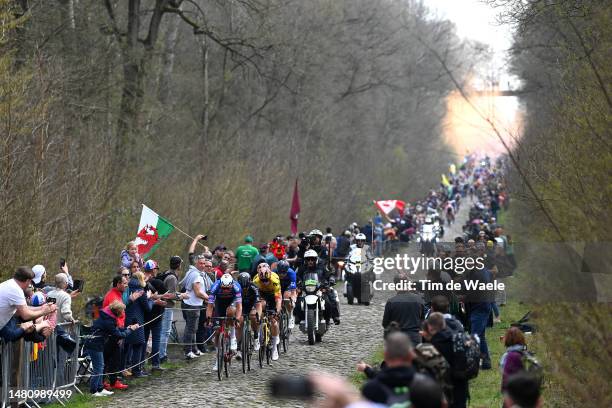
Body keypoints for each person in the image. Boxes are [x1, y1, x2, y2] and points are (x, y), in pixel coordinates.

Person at [84, 301, 139, 397]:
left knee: (101, 366)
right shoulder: (109, 320)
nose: (123, 313)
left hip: (99, 343)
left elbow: (115, 330)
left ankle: (100, 388)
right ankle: (93, 390)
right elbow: (118, 334)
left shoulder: (108, 316)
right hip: (94, 344)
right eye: (123, 311)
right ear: (117, 312)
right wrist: (131, 329)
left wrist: (127, 328)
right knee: (98, 367)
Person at [421, 313, 468, 408]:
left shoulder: (433, 346)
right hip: (461, 388)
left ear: (430, 328)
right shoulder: (457, 339)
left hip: (442, 392)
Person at [361, 331, 422, 405]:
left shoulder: (370, 389)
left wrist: (367, 369)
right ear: (411, 355)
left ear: (385, 355)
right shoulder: (427, 386)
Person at [0, 267, 56, 341]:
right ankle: (43, 327)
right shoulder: (16, 290)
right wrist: (44, 312)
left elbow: (23, 309)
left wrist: (42, 307)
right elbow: (26, 315)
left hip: (4, 324)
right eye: (30, 282)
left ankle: (41, 328)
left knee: (25, 328)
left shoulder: (10, 284)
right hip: (4, 326)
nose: (30, 285)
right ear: (28, 281)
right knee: (23, 329)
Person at [102, 274, 134, 390]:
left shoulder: (118, 294)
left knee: (114, 358)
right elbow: (116, 317)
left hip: (115, 332)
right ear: (118, 284)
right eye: (124, 283)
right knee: (110, 358)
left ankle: (112, 381)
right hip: (112, 333)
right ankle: (106, 381)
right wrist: (120, 334)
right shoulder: (112, 296)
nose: (126, 285)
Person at [206, 273, 242, 371]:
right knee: (217, 332)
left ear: (231, 284)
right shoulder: (215, 287)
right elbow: (209, 306)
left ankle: (233, 336)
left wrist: (237, 319)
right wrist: (208, 319)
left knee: (231, 312)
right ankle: (218, 359)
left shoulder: (236, 287)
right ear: (221, 284)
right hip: (219, 303)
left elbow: (239, 306)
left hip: (232, 301)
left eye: (227, 288)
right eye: (224, 288)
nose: (226, 290)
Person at [295, 250, 340, 325]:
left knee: (328, 301)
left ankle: (334, 316)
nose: (310, 261)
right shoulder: (302, 268)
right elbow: (297, 277)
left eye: (312, 259)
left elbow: (329, 274)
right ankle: (298, 316)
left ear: (316, 259)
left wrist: (331, 279)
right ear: (305, 260)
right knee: (298, 302)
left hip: (320, 289)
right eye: (308, 259)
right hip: (305, 289)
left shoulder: (322, 267)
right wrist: (298, 283)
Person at [157, 255, 187, 364]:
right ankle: (162, 355)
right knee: (165, 331)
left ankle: (159, 354)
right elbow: (170, 295)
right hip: (167, 307)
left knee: (162, 331)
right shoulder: (172, 278)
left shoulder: (166, 273)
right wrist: (182, 296)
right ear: (178, 265)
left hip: (162, 306)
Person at [142, 260, 170, 372]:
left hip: (144, 314)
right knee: (156, 340)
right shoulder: (158, 283)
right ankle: (155, 364)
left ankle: (141, 364)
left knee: (143, 340)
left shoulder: (140, 282)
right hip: (157, 314)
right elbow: (167, 296)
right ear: (154, 270)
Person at [179, 254, 209, 359]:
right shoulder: (196, 275)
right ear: (196, 263)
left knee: (194, 329)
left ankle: (195, 349)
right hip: (192, 305)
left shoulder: (192, 272)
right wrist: (209, 298)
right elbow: (198, 292)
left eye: (204, 263)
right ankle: (188, 351)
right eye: (200, 263)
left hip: (192, 304)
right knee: (190, 329)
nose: (202, 265)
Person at [382, 274, 424, 346]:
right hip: (415, 338)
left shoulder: (391, 302)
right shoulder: (419, 300)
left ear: (395, 286)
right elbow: (422, 319)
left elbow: (385, 324)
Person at [124, 271, 152, 377]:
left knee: (126, 346)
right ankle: (136, 370)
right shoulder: (141, 291)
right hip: (137, 320)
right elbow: (148, 308)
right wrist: (150, 299)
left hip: (126, 320)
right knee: (138, 345)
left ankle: (124, 368)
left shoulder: (127, 288)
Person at [252, 263, 282, 360]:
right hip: (262, 295)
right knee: (260, 307)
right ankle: (259, 330)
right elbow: (256, 299)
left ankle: (274, 347)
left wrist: (277, 311)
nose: (264, 282)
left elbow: (278, 299)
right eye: (263, 280)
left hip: (273, 295)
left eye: (266, 280)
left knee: (273, 320)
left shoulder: (274, 279)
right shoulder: (256, 281)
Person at [236, 272, 261, 358]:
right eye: (242, 288)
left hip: (252, 304)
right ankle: (238, 348)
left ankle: (256, 336)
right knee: (239, 322)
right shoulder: (236, 287)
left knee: (254, 316)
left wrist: (258, 315)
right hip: (241, 306)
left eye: (246, 288)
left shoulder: (254, 287)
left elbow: (258, 304)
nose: (244, 290)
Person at [195, 258, 215, 354]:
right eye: (207, 266)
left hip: (208, 303)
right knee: (199, 326)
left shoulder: (209, 276)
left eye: (210, 266)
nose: (208, 268)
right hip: (200, 303)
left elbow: (212, 289)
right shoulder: (198, 275)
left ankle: (204, 344)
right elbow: (198, 292)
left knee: (205, 325)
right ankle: (200, 346)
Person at [275, 260, 297, 329]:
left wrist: (293, 300)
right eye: (280, 272)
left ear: (287, 271)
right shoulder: (273, 272)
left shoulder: (292, 273)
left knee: (286, 297)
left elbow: (293, 291)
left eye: (284, 273)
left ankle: (291, 316)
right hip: (278, 286)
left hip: (288, 286)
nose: (281, 275)